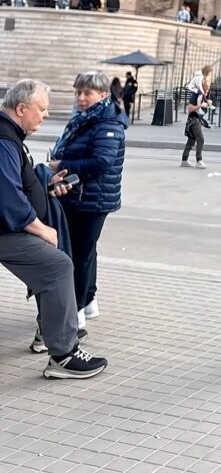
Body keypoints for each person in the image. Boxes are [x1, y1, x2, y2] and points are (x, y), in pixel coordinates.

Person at [0, 80, 108, 379]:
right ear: (22, 109)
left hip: (8, 228)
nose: (45, 115)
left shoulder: (10, 135)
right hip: (7, 230)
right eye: (42, 109)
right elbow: (6, 198)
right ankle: (63, 354)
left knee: (52, 266)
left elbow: (14, 184)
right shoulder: (4, 139)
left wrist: (43, 185)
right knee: (57, 265)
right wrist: (39, 228)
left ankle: (51, 336)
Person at [50, 72, 127, 324]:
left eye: (87, 93)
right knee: (85, 251)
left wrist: (62, 164)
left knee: (79, 254)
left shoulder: (107, 124)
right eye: (78, 92)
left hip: (91, 199)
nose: (80, 98)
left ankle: (78, 309)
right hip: (80, 196)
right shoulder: (87, 119)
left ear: (103, 95)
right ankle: (89, 300)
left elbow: (102, 162)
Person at [181, 67, 212, 168]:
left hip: (197, 119)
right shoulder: (196, 93)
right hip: (193, 120)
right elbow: (189, 108)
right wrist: (200, 106)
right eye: (206, 81)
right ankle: (199, 161)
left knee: (191, 140)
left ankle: (184, 160)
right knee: (201, 139)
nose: (208, 83)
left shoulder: (205, 94)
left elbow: (205, 105)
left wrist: (209, 103)